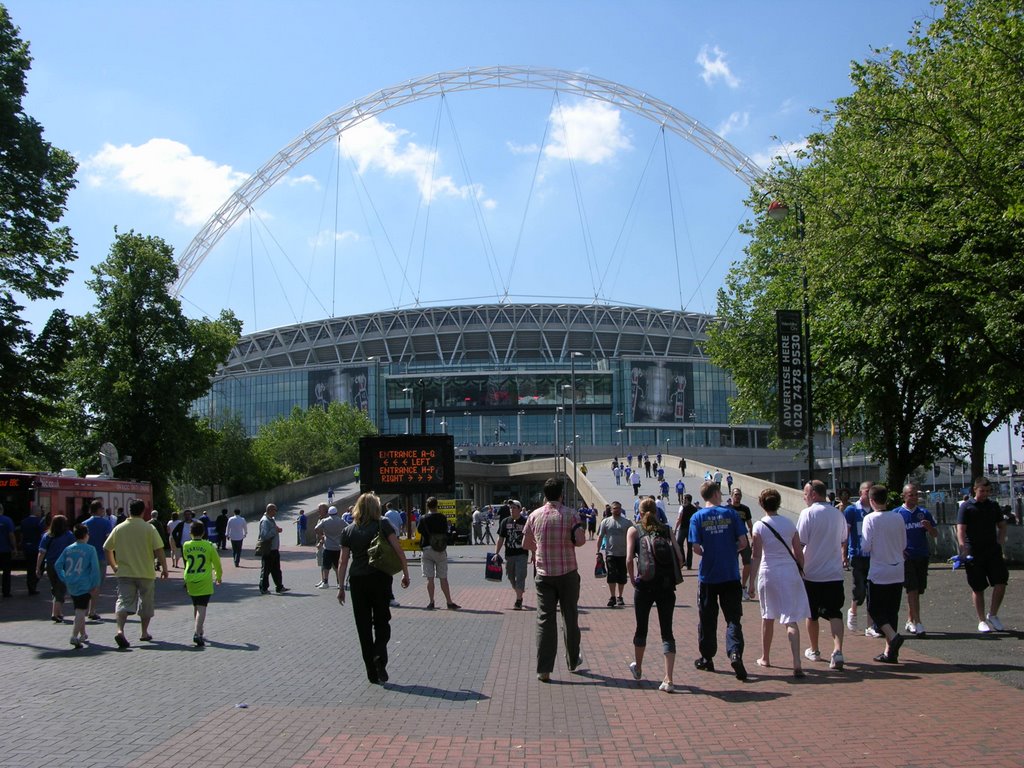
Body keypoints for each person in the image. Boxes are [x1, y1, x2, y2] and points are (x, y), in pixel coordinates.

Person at [337, 492, 411, 684]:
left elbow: (343, 562)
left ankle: (371, 672)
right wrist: (405, 572)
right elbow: (398, 549)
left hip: (357, 580)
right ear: (376, 508)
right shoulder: (382, 524)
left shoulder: (348, 530)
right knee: (382, 621)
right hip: (379, 578)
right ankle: (380, 656)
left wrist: (340, 587)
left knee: (362, 626)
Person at [523, 477, 586, 682]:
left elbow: (526, 543)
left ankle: (544, 669)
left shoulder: (534, 516)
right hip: (567, 572)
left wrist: (541, 549)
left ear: (544, 495)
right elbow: (581, 541)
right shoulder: (571, 515)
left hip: (544, 574)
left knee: (545, 620)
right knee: (570, 617)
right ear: (561, 494)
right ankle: (573, 661)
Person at [689, 480, 748, 680]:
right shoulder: (731, 514)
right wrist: (731, 550)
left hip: (708, 575)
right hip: (730, 573)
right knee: (733, 617)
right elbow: (743, 542)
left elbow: (696, 547)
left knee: (707, 617)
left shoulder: (697, 517)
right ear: (715, 494)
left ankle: (707, 657)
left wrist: (708, 551)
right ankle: (734, 652)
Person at [748, 488, 809, 677]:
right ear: (779, 503)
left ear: (761, 504)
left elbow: (756, 555)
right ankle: (797, 661)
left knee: (768, 617)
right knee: (790, 619)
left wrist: (751, 582)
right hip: (789, 571)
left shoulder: (759, 526)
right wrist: (801, 571)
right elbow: (799, 553)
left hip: (769, 572)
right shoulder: (789, 524)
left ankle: (765, 657)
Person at [626, 497, 684, 693]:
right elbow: (681, 558)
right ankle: (669, 678)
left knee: (641, 628)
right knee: (667, 630)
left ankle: (639, 668)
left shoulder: (634, 530)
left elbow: (628, 559)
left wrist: (633, 579)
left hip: (644, 585)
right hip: (666, 586)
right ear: (657, 511)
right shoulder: (666, 530)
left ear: (639, 512)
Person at [798, 480, 848, 670]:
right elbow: (844, 538)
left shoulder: (808, 514)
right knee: (835, 612)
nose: (804, 497)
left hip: (811, 573)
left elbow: (800, 542)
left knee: (811, 614)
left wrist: (798, 565)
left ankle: (815, 649)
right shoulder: (837, 514)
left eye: (805, 493)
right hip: (834, 573)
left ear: (813, 494)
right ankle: (838, 650)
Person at [104, 499, 169, 648]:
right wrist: (164, 568)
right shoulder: (149, 528)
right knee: (146, 603)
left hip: (124, 572)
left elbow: (107, 548)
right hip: (145, 572)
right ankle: (144, 633)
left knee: (123, 601)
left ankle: (120, 630)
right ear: (143, 512)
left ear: (129, 511)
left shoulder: (119, 528)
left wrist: (114, 566)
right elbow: (159, 549)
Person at [861, 485, 907, 663]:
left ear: (871, 501)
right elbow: (903, 544)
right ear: (886, 499)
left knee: (874, 608)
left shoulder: (870, 519)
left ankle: (893, 638)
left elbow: (866, 546)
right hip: (897, 568)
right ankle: (890, 652)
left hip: (879, 570)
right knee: (891, 610)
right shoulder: (898, 517)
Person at [957, 477, 1009, 633]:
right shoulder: (966, 507)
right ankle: (981, 620)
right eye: (982, 491)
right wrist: (963, 548)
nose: (985, 494)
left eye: (987, 491)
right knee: (978, 587)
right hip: (974, 552)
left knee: (1001, 582)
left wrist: (1000, 541)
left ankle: (993, 614)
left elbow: (1002, 525)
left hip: (992, 551)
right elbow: (960, 529)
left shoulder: (993, 506)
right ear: (975, 489)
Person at [895, 483, 937, 635]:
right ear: (904, 496)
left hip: (922, 555)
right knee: (911, 589)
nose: (914, 497)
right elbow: (892, 536)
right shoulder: (897, 513)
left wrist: (929, 528)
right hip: (907, 557)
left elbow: (935, 534)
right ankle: (918, 622)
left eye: (916, 495)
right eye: (910, 495)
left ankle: (910, 620)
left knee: (918, 590)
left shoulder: (924, 513)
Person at [54, 524, 101, 649]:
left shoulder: (68, 549)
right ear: (86, 535)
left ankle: (83, 633)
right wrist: (95, 584)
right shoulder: (90, 549)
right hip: (84, 583)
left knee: (79, 608)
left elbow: (58, 564)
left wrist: (64, 577)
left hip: (71, 583)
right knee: (81, 611)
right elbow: (95, 569)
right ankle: (74, 636)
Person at [182, 520, 223, 646]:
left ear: (191, 533)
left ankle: (200, 631)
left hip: (190, 578)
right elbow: (217, 563)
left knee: (196, 605)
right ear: (204, 532)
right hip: (204, 579)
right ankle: (197, 632)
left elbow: (185, 558)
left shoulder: (186, 545)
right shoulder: (209, 546)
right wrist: (218, 576)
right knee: (202, 607)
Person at [417, 497, 460, 610]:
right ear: (437, 505)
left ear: (427, 506)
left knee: (429, 578)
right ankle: (449, 602)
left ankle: (431, 602)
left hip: (426, 549)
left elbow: (419, 530)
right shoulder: (442, 517)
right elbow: (445, 531)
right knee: (443, 578)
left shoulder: (423, 518)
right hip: (440, 549)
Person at [843, 481, 874, 633]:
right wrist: (844, 554)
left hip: (873, 555)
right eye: (866, 491)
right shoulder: (852, 510)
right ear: (861, 492)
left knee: (872, 589)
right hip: (857, 553)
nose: (868, 494)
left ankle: (870, 624)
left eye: (871, 491)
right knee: (859, 587)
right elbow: (846, 533)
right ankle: (853, 610)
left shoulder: (876, 510)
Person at [36, 514, 75, 623]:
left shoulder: (47, 536)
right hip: (64, 565)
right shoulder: (69, 535)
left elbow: (41, 552)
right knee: (61, 588)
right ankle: (55, 613)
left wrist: (38, 567)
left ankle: (57, 612)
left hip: (50, 565)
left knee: (55, 587)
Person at [596, 501, 633, 608]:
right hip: (610, 554)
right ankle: (612, 597)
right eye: (615, 508)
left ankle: (619, 596)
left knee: (622, 576)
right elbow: (600, 537)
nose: (617, 510)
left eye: (618, 508)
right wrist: (598, 551)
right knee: (611, 575)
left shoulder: (627, 522)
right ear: (611, 510)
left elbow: (633, 537)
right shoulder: (606, 522)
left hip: (623, 554)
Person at [494, 499, 528, 609]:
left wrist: (533, 554)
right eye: (510, 508)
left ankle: (518, 600)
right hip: (509, 555)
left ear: (519, 509)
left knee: (520, 576)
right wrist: (496, 553)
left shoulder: (525, 522)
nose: (511, 510)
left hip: (522, 554)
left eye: (514, 508)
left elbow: (530, 538)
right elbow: (501, 538)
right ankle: (519, 592)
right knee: (511, 577)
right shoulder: (505, 522)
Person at [82, 499, 112, 621]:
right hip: (100, 556)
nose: (104, 511)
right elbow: (108, 542)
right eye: (102, 508)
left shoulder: (85, 523)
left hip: (86, 557)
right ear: (99, 510)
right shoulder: (106, 524)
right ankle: (92, 610)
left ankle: (83, 608)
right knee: (97, 584)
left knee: (87, 583)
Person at [727, 488, 754, 599]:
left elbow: (750, 525)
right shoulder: (727, 509)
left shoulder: (745, 509)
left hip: (743, 538)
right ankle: (733, 588)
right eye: (736, 494)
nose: (738, 497)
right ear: (732, 495)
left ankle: (743, 587)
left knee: (747, 563)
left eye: (740, 495)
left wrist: (753, 539)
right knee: (732, 564)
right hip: (731, 540)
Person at [257, 504, 288, 594]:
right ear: (270, 510)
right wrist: (275, 531)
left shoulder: (271, 520)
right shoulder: (265, 521)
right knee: (266, 570)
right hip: (268, 550)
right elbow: (264, 535)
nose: (276, 512)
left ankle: (279, 586)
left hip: (274, 549)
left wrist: (276, 529)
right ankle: (263, 587)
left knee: (276, 569)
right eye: (275, 510)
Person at [315, 504, 345, 588]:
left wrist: (322, 536)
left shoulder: (325, 521)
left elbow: (316, 529)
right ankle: (339, 583)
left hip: (328, 546)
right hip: (338, 547)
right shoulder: (341, 521)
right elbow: (347, 528)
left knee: (326, 566)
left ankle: (325, 582)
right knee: (337, 566)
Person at [19, 504, 43, 595]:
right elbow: (42, 535)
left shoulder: (24, 521)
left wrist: (21, 544)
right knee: (39, 566)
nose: (41, 512)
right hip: (36, 548)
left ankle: (30, 586)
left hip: (27, 547)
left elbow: (22, 535)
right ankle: (33, 584)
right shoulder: (39, 522)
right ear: (36, 512)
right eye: (40, 511)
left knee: (29, 568)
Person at [673, 494, 698, 570]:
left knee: (679, 543)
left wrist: (675, 528)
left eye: (684, 498)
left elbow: (679, 519)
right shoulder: (694, 508)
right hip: (691, 529)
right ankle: (689, 564)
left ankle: (683, 560)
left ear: (686, 499)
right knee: (690, 547)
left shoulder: (682, 507)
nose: (683, 500)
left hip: (683, 528)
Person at [0, 502, 16, 597]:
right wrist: (14, 548)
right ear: (2, 510)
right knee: (6, 572)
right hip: (5, 550)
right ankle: (6, 592)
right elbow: (11, 535)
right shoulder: (7, 520)